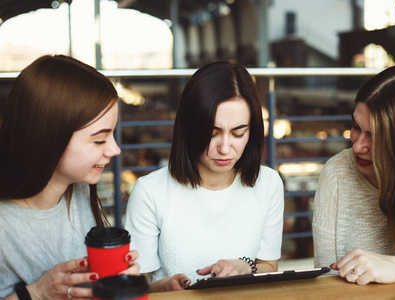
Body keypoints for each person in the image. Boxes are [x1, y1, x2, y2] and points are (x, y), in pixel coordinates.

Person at [0, 55, 184, 299]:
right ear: (48, 137)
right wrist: (37, 293)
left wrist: (152, 287)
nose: (115, 150)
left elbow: (90, 290)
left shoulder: (79, 190)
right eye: (99, 139)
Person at [124, 60, 285, 288]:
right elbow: (135, 288)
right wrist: (164, 287)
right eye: (212, 133)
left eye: (238, 133)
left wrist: (244, 266)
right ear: (190, 128)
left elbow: (269, 267)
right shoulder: (150, 192)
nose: (225, 148)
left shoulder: (268, 183)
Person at [312, 64, 395, 285]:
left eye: (375, 136)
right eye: (356, 127)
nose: (358, 147)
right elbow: (326, 282)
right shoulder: (337, 173)